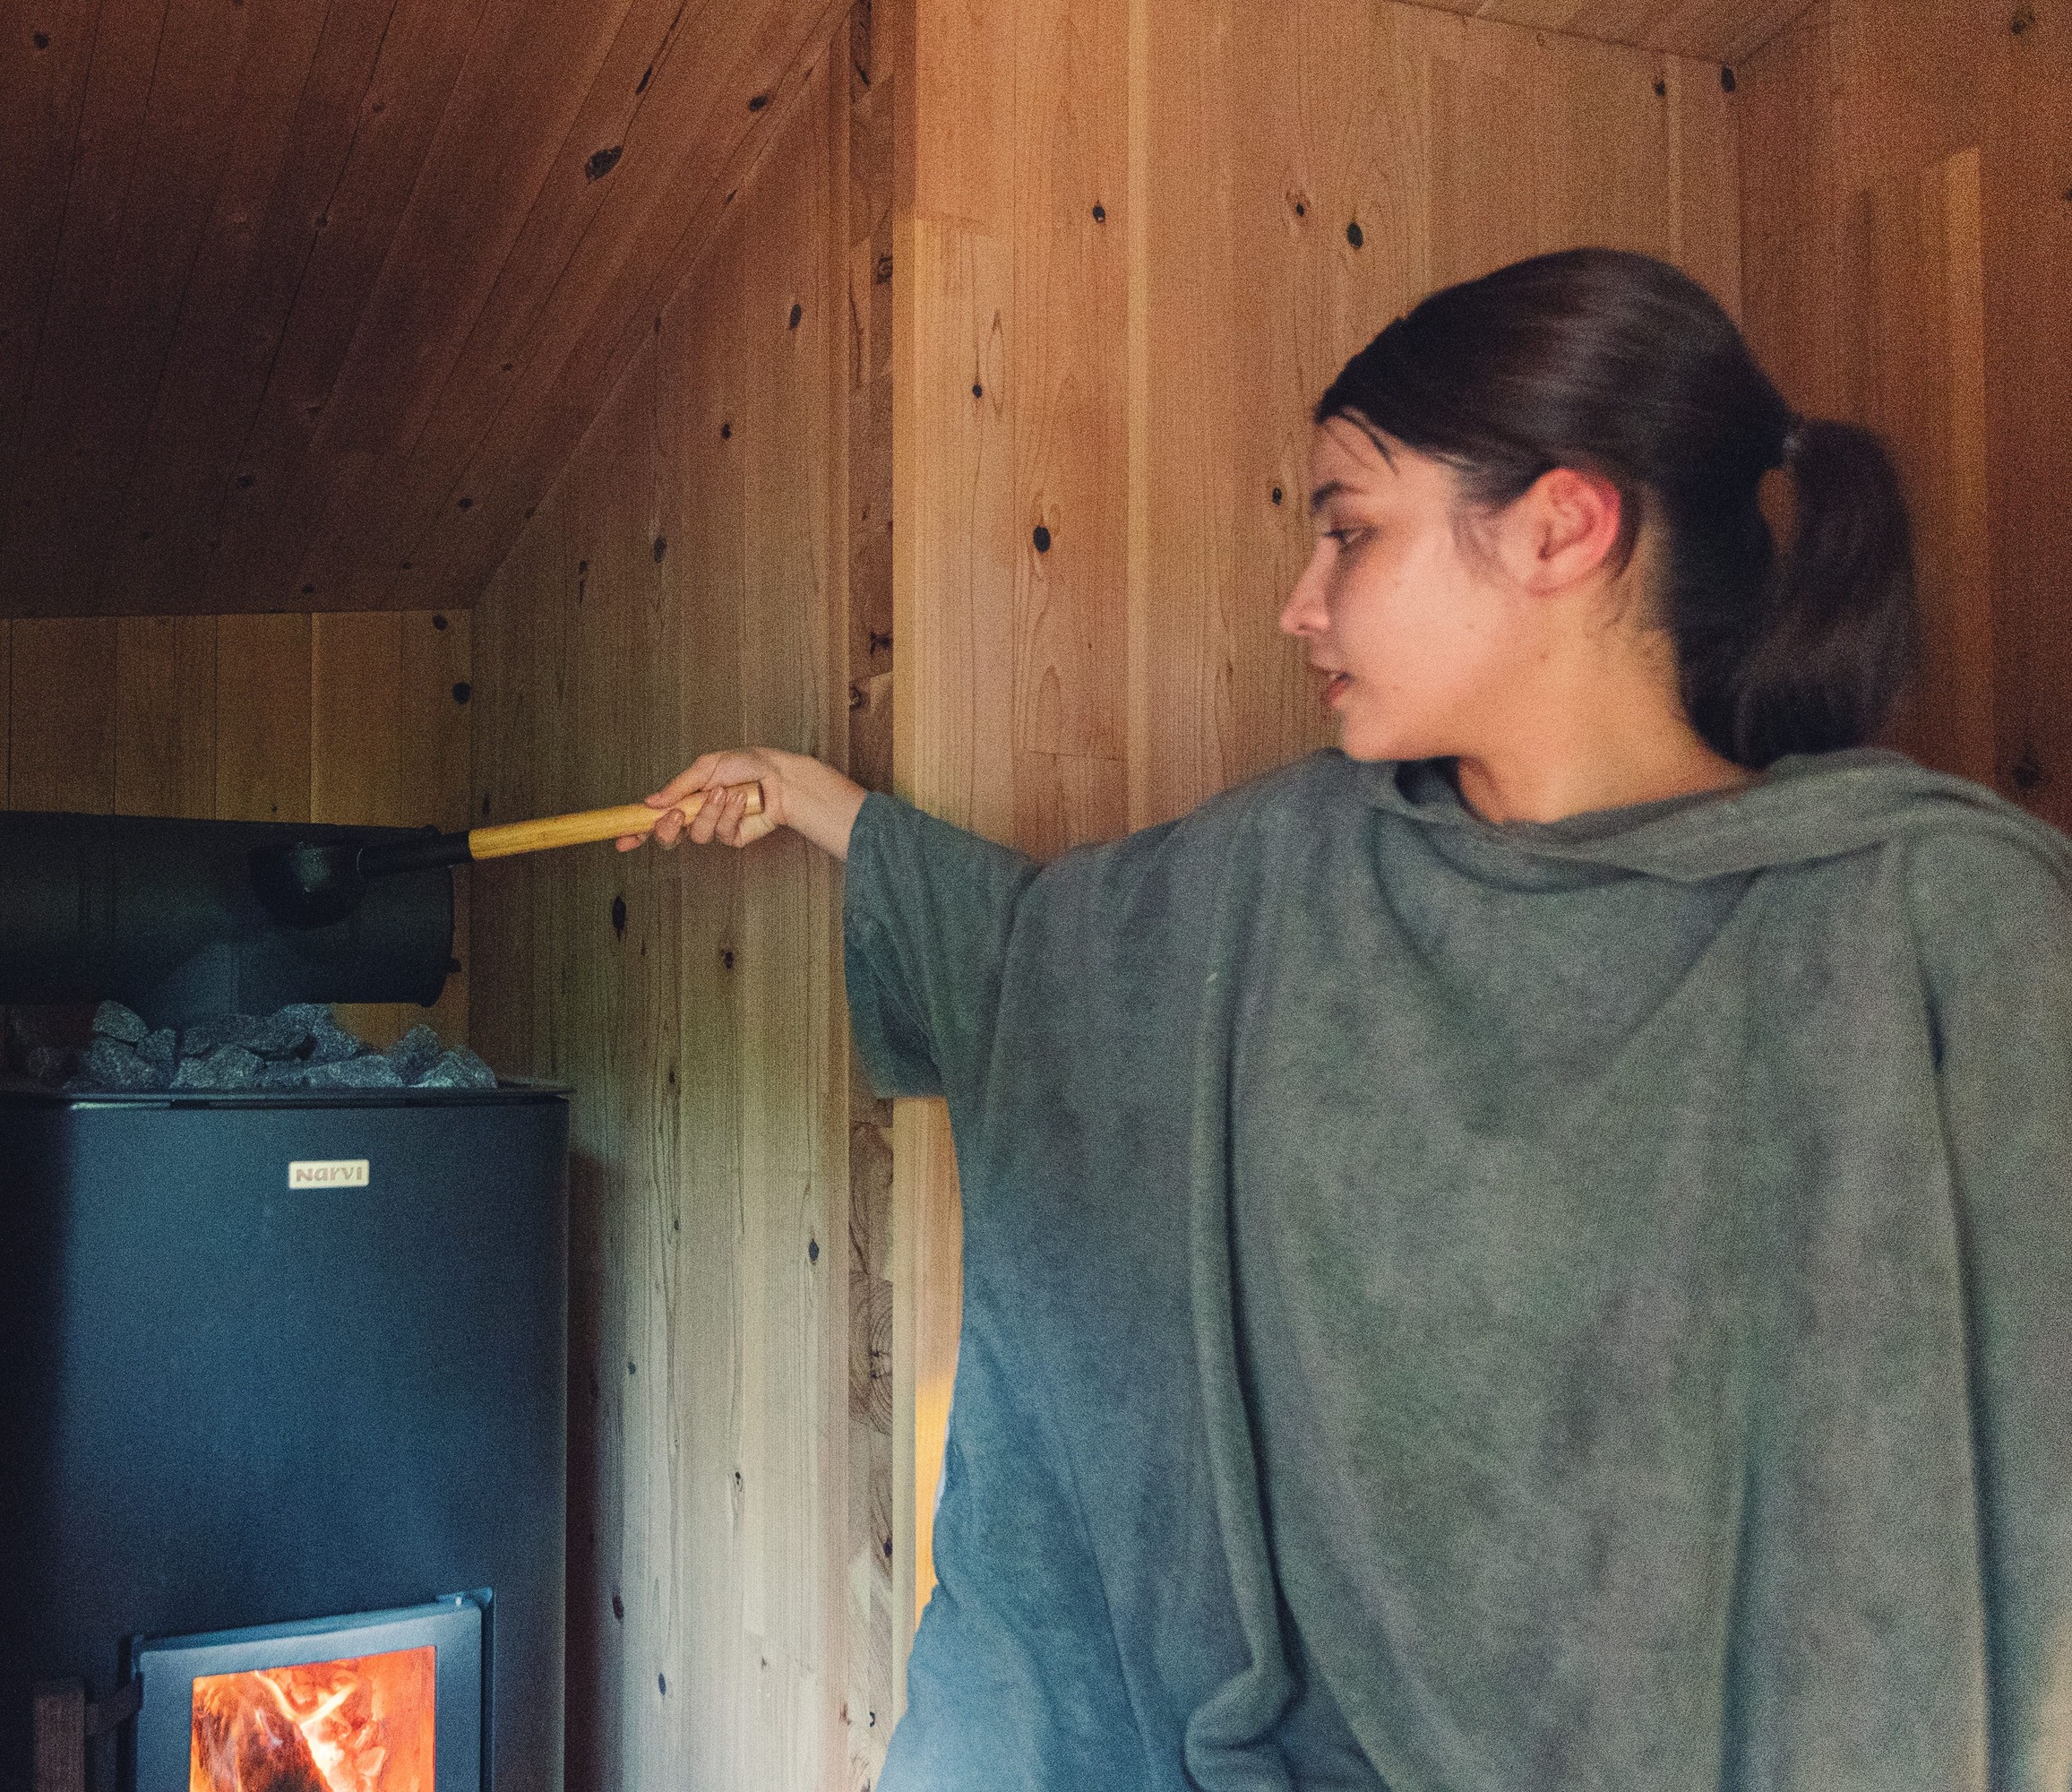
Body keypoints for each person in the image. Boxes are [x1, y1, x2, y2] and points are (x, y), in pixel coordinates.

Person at [617, 248, 2072, 1789]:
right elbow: (1051, 962)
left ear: (1564, 527)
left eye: (1351, 532)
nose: (1301, 607)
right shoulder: (1284, 873)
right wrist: (817, 803)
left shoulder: (1931, 928)